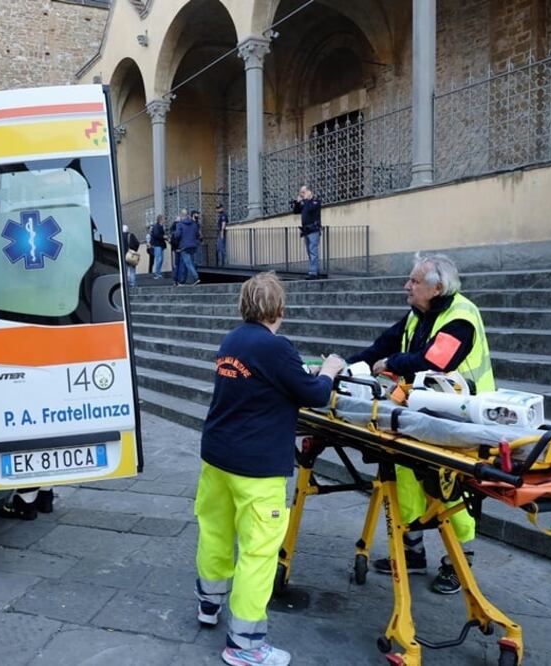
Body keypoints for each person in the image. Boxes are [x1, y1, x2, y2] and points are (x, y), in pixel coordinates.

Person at [195, 272, 344, 666]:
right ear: (279, 309)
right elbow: (314, 394)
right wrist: (329, 370)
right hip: (256, 465)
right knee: (258, 552)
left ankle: (209, 603)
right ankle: (244, 644)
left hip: (217, 455)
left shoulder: (233, 339)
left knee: (215, 531)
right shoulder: (276, 347)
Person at [345, 254, 494, 595]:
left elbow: (434, 361)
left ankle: (459, 561)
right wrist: (344, 366)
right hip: (421, 415)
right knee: (405, 477)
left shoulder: (461, 317)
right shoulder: (418, 314)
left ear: (436, 288)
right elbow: (380, 347)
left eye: (413, 281)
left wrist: (391, 363)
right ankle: (412, 551)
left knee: (450, 487)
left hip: (462, 419)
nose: (406, 286)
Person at [291, 186, 322, 279]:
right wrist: (297, 202)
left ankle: (313, 272)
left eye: (303, 192)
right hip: (306, 231)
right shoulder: (305, 203)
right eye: (301, 192)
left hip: (314, 230)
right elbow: (296, 211)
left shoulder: (315, 201)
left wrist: (307, 199)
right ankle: (315, 270)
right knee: (309, 251)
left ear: (309, 192)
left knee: (313, 251)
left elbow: (310, 209)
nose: (302, 194)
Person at [174, 210, 203, 286]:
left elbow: (177, 235)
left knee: (188, 263)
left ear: (181, 216)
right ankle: (181, 281)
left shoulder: (179, 224)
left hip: (184, 246)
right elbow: (197, 235)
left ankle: (196, 278)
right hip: (193, 246)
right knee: (187, 263)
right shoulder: (194, 224)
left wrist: (175, 234)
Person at [171, 209, 188, 285]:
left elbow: (172, 233)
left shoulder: (174, 225)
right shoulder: (182, 225)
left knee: (177, 264)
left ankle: (175, 280)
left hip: (175, 247)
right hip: (181, 247)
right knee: (181, 264)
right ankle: (180, 280)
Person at [149, 214, 167, 278]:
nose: (165, 220)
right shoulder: (156, 226)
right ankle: (157, 273)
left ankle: (158, 273)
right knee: (159, 259)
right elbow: (156, 235)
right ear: (160, 220)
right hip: (157, 245)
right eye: (164, 219)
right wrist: (163, 236)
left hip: (160, 245)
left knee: (160, 259)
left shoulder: (160, 226)